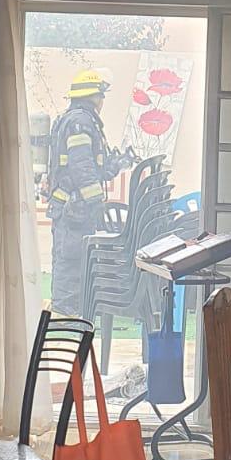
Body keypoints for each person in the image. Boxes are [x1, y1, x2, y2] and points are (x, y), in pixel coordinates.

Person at [48, 68, 134, 315]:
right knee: (71, 262)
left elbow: (93, 168)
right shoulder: (81, 123)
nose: (103, 101)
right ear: (93, 97)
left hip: (74, 209)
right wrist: (96, 202)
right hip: (72, 210)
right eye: (101, 96)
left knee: (76, 261)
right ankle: (65, 318)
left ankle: (71, 314)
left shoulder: (83, 122)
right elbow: (82, 167)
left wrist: (116, 164)